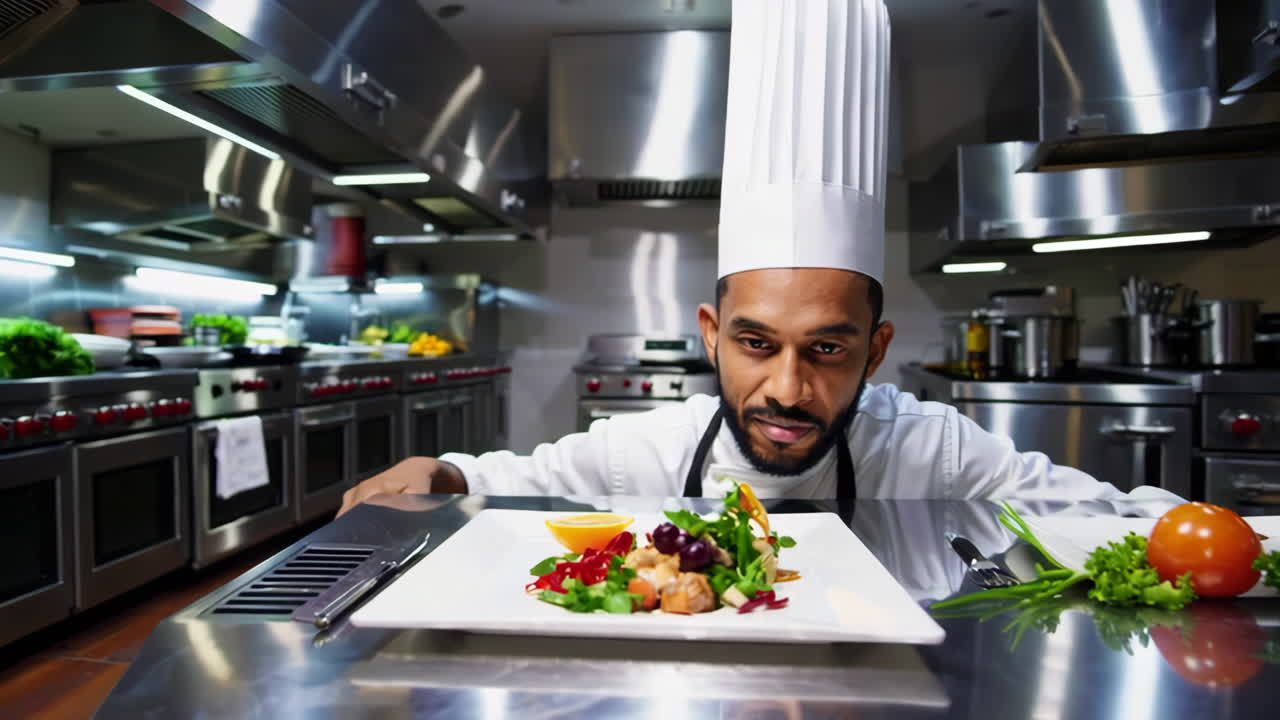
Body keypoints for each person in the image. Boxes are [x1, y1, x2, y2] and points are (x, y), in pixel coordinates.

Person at [337, 0, 1177, 517]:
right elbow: (508, 476)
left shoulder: (934, 450)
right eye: (755, 342)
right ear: (709, 334)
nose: (786, 389)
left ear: (876, 350)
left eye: (827, 348)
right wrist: (440, 471)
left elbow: (1105, 512)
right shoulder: (651, 450)